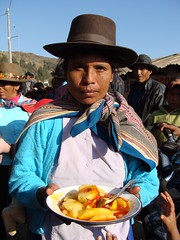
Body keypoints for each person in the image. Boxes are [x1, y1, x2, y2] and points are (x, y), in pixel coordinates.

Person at [9, 14, 159, 240]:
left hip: (115, 234)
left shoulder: (126, 121)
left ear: (112, 75)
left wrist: (137, 194)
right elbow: (22, 176)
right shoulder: (46, 121)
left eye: (100, 68)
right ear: (66, 71)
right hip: (52, 233)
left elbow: (147, 179)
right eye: (79, 67)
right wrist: (41, 195)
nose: (89, 79)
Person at [0, 62, 36, 239]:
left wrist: (9, 148)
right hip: (1, 168)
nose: (0, 88)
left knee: (26, 213)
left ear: (16, 85)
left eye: (4, 83)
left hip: (23, 169)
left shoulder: (32, 109)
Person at [127, 54, 166, 126]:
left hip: (148, 133)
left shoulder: (159, 89)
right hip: (133, 129)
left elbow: (160, 116)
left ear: (150, 71)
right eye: (136, 69)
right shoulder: (133, 88)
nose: (138, 73)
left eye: (142, 69)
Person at [147, 77, 180, 147]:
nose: (174, 98)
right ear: (166, 95)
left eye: (179, 95)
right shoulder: (155, 115)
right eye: (171, 94)